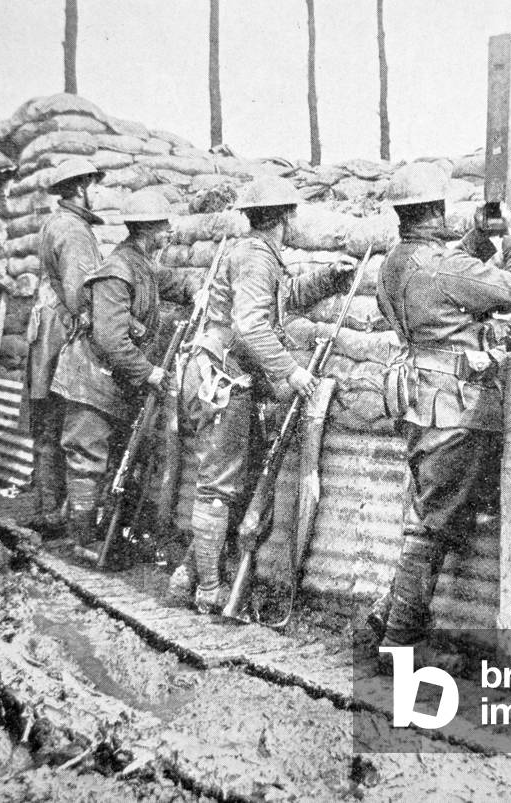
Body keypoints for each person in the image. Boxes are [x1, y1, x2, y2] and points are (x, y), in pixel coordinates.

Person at [371, 162, 511, 660]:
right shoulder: (442, 269)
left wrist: (473, 238)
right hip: (455, 412)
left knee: (430, 517)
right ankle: (397, 644)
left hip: (422, 405)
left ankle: (387, 620)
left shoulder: (394, 266)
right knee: (432, 526)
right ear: (434, 211)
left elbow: (448, 277)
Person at [166, 175, 353, 615]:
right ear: (285, 218)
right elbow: (251, 326)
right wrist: (292, 373)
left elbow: (279, 300)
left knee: (227, 479)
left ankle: (186, 576)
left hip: (227, 376)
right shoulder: (255, 257)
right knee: (218, 485)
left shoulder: (256, 254)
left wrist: (328, 279)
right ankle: (209, 591)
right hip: (224, 379)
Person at [52, 189, 201, 559]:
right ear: (149, 231)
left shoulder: (142, 265)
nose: (169, 234)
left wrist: (195, 291)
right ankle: (83, 543)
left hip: (111, 381)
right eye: (164, 228)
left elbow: (172, 284)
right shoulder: (118, 271)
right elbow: (110, 338)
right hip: (90, 378)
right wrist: (148, 372)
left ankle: (98, 534)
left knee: (108, 461)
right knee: (87, 459)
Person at [25, 158, 104, 541]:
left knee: (45, 425)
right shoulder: (74, 231)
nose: (99, 191)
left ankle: (46, 509)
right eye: (94, 183)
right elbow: (80, 293)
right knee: (61, 422)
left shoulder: (56, 223)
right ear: (79, 188)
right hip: (61, 335)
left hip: (45, 333)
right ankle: (56, 516)